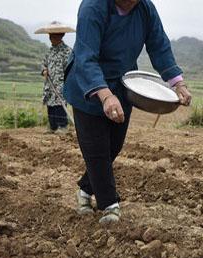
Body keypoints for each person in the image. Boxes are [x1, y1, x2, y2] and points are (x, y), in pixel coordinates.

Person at [64, 0, 192, 224]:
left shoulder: (145, 8)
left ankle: (85, 190)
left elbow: (159, 44)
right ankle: (110, 206)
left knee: (114, 145)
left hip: (123, 86)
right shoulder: (93, 8)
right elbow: (86, 58)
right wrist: (104, 95)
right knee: (97, 150)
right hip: (88, 85)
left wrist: (177, 83)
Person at [40, 22, 74, 134]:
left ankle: (62, 126)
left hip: (61, 84)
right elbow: (43, 63)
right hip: (49, 83)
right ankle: (52, 127)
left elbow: (71, 68)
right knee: (50, 104)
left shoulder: (67, 51)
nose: (51, 39)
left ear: (61, 36)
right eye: (50, 36)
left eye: (53, 36)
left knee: (59, 104)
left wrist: (67, 82)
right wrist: (44, 70)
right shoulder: (49, 51)